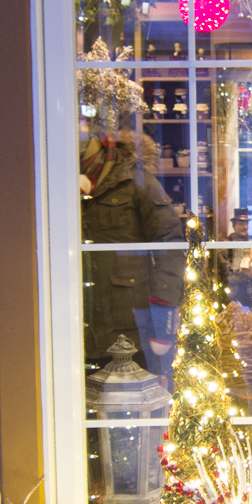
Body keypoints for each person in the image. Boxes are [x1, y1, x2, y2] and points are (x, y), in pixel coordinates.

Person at [80, 135, 185, 381]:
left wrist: (163, 308)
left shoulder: (135, 180)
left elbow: (170, 243)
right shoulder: (54, 176)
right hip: (72, 320)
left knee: (134, 404)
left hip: (129, 324)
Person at [225, 207, 252, 310]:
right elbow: (223, 266)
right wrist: (240, 271)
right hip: (236, 290)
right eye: (241, 224)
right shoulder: (227, 244)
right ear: (234, 226)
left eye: (246, 224)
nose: (245, 227)